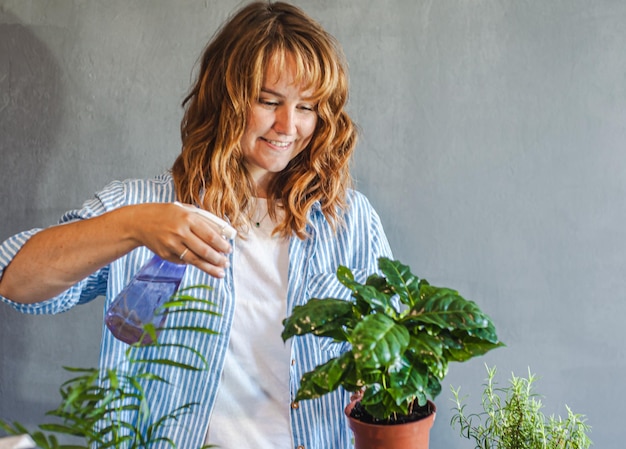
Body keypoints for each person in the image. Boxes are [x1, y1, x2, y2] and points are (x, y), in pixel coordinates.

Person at [0, 1, 392, 448]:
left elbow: (394, 360)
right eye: (268, 101)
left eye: (306, 107)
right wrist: (132, 227)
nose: (289, 126)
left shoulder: (349, 220)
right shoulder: (141, 205)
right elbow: (15, 280)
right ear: (226, 97)